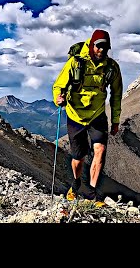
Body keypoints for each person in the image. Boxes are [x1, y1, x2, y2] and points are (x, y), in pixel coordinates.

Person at [52, 29, 123, 206]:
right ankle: (75, 185)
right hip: (75, 115)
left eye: (105, 47)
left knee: (100, 150)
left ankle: (91, 193)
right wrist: (58, 98)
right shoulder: (76, 63)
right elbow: (58, 85)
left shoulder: (111, 68)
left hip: (97, 115)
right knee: (78, 158)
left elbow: (116, 95)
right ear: (92, 45)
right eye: (99, 46)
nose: (102, 50)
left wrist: (115, 121)